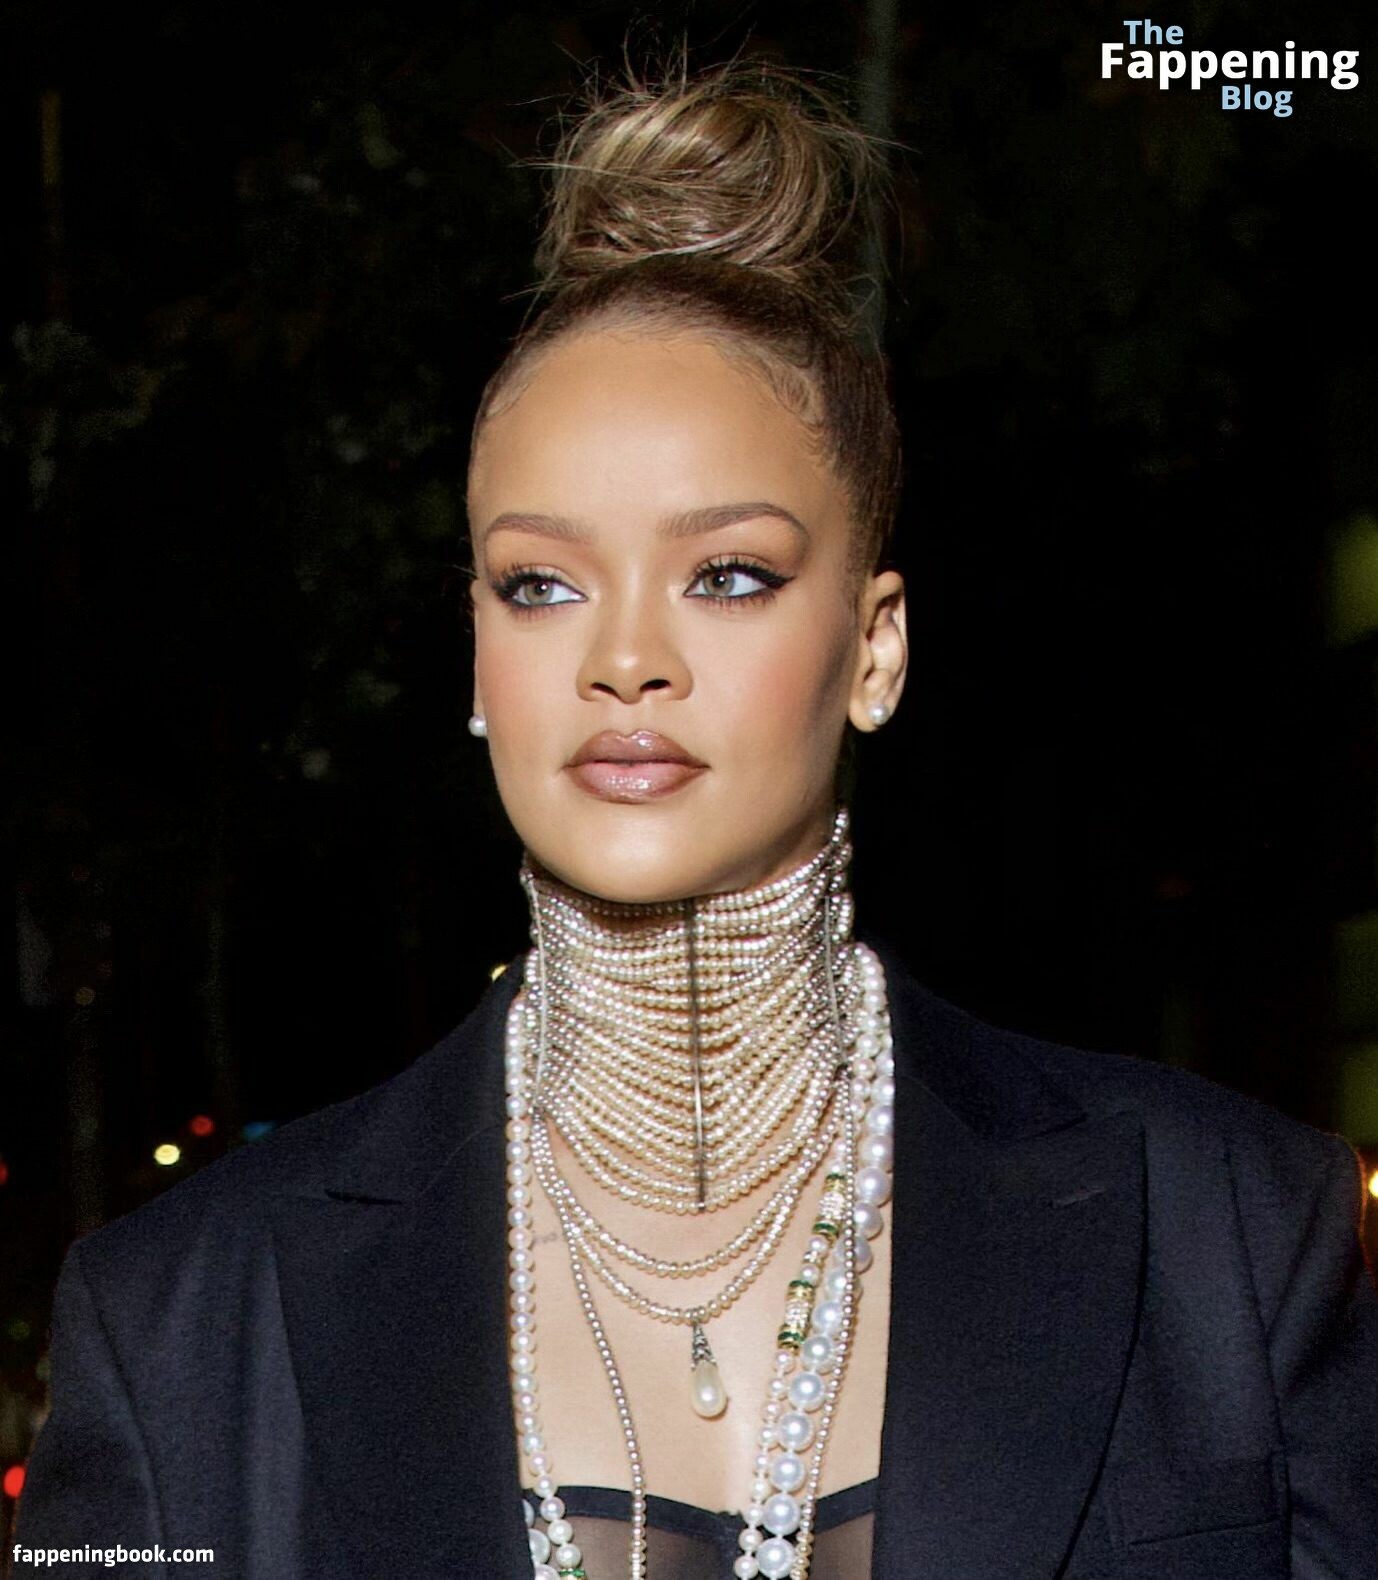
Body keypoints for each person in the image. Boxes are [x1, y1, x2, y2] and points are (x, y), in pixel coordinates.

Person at [12, 55, 1376, 1580]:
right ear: (476, 652)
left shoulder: (1227, 1230)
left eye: (728, 574)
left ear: (875, 648)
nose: (623, 658)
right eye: (541, 583)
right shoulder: (186, 1313)